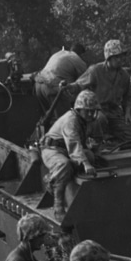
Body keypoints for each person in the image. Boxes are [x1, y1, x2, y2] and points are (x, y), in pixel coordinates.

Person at [41, 90, 103, 220]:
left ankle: (56, 178)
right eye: (87, 111)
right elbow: (73, 143)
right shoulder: (71, 120)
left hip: (67, 150)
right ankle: (58, 207)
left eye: (93, 110)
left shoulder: (88, 121)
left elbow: (96, 139)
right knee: (64, 164)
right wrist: (85, 163)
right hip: (52, 149)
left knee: (90, 156)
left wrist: (95, 152)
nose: (91, 113)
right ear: (79, 110)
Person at [73, 39, 131, 144]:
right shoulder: (95, 70)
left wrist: (128, 113)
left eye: (122, 56)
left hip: (115, 112)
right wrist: (69, 87)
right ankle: (99, 143)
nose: (120, 60)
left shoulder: (124, 75)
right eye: (117, 57)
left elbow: (128, 96)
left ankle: (115, 142)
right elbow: (79, 85)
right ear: (109, 57)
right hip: (97, 111)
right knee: (100, 120)